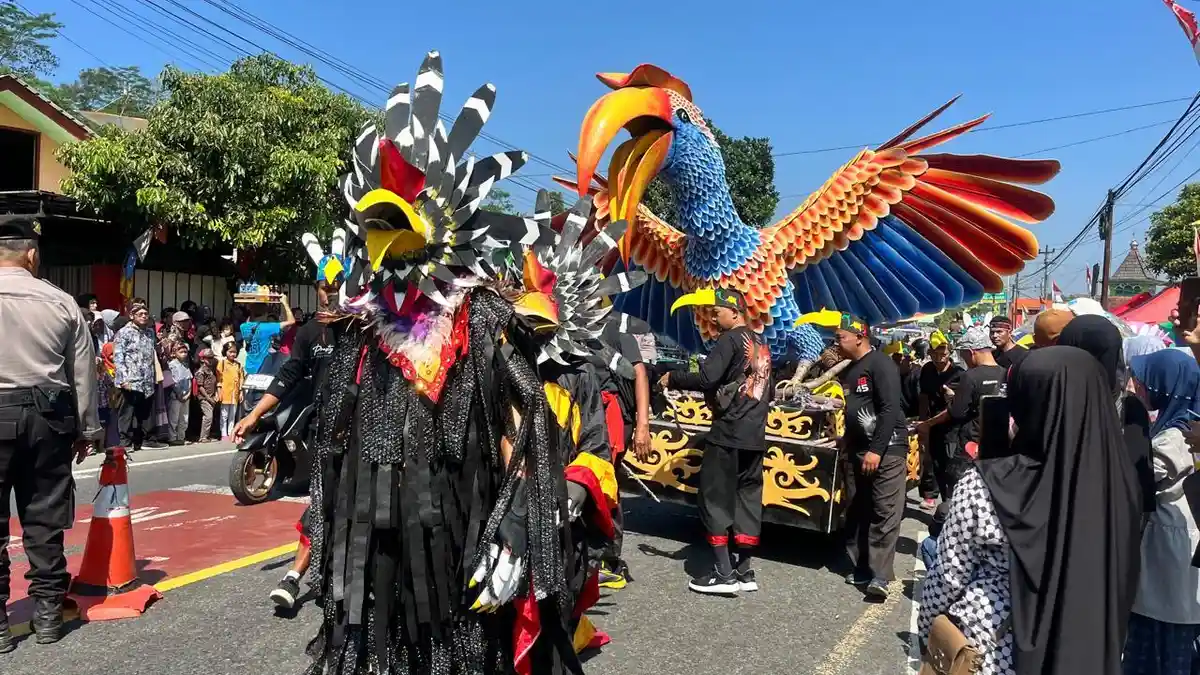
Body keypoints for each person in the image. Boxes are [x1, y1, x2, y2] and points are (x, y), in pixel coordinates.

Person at [0, 215, 99, 650]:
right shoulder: (62, 303)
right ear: (32, 254)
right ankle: (46, 617)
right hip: (48, 419)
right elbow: (83, 373)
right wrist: (88, 429)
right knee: (43, 519)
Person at [233, 247, 345, 610]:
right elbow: (287, 376)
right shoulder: (308, 332)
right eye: (325, 285)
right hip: (324, 434)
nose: (331, 290)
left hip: (363, 434)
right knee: (321, 502)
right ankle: (295, 578)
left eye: (338, 284)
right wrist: (252, 416)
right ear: (316, 287)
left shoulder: (361, 328)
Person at [661, 288, 773, 596]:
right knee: (747, 502)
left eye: (717, 311)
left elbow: (708, 378)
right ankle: (745, 570)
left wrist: (674, 377)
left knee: (715, 500)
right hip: (755, 435)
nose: (712, 316)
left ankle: (724, 574)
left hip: (729, 433)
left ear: (734, 313)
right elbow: (769, 392)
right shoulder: (762, 343)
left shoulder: (730, 340)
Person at [1123, 349, 1200, 674]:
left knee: (1163, 651)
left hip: (1169, 565)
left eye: (1144, 381)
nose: (1137, 386)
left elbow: (1128, 476)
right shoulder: (1180, 427)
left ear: (1162, 387)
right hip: (1168, 562)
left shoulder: (1173, 440)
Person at [835, 313, 908, 600]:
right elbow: (855, 411)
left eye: (841, 337)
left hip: (887, 451)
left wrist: (877, 450)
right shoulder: (852, 370)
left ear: (859, 336)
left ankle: (880, 575)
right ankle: (861, 565)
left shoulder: (881, 364)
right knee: (857, 507)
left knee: (884, 510)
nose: (836, 342)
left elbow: (889, 409)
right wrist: (847, 440)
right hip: (857, 451)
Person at [1059, 316, 1157, 518]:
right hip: (1115, 524)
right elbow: (1141, 486)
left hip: (1060, 520)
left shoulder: (1055, 400)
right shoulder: (1129, 405)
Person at [917, 327, 1005, 497]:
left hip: (970, 443)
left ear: (971, 352)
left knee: (959, 488)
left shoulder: (970, 376)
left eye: (964, 355)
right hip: (997, 442)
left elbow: (956, 412)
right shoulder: (1005, 373)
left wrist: (950, 399)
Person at [595, 331, 651, 590]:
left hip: (611, 414)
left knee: (605, 483)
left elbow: (639, 375)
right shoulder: (570, 323)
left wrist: (642, 425)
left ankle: (609, 559)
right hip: (582, 412)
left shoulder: (617, 329)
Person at [917, 331, 962, 504]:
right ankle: (934, 496)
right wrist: (922, 422)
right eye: (934, 353)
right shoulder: (927, 369)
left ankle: (950, 501)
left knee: (949, 464)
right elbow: (924, 396)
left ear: (949, 352)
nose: (939, 357)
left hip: (951, 426)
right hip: (931, 423)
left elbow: (955, 407)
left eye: (942, 353)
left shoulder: (957, 373)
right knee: (932, 462)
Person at [112, 302, 158, 452]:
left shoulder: (150, 333)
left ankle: (144, 440)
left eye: (146, 314)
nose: (144, 317)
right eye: (140, 314)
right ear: (132, 316)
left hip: (147, 379)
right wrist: (124, 379)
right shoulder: (124, 332)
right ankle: (125, 442)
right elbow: (119, 357)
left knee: (144, 412)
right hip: (131, 379)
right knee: (127, 412)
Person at [239, 296, 294, 375]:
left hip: (249, 368)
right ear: (265, 313)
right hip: (262, 369)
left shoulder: (243, 327)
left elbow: (249, 320)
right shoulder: (267, 328)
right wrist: (285, 303)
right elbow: (291, 321)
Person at [166, 343, 192, 445]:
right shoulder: (172, 365)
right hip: (176, 396)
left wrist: (189, 393)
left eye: (185, 352)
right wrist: (179, 394)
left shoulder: (186, 365)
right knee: (174, 417)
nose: (184, 354)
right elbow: (173, 382)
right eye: (181, 352)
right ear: (175, 353)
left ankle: (181, 437)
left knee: (184, 418)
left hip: (186, 395)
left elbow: (189, 379)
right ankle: (172, 438)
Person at [216, 342, 244, 439]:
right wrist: (219, 391)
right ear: (225, 352)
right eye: (230, 351)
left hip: (235, 393)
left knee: (233, 415)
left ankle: (231, 432)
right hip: (225, 393)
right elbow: (218, 378)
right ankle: (223, 433)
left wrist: (241, 392)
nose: (233, 354)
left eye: (234, 352)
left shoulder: (238, 365)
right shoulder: (222, 363)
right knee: (224, 414)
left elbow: (241, 378)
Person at [193, 349, 218, 443]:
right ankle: (203, 437)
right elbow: (200, 386)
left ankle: (207, 435)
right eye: (208, 358)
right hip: (204, 397)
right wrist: (207, 397)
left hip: (211, 396)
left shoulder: (211, 369)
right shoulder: (201, 371)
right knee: (208, 416)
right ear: (203, 359)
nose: (211, 360)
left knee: (210, 417)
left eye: (212, 357)